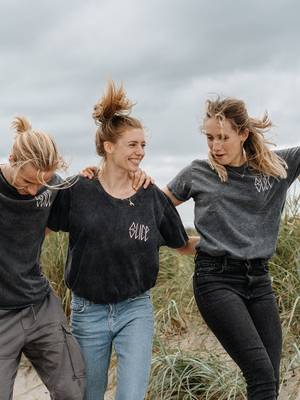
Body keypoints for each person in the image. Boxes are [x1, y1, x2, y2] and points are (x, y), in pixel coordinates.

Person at [47, 81, 198, 400]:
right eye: (132, 145)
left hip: (135, 309)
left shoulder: (150, 196)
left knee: (131, 396)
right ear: (108, 146)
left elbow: (182, 243)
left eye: (143, 145)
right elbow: (42, 229)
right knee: (90, 394)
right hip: (88, 310)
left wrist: (225, 245)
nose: (140, 152)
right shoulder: (78, 189)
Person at [164, 97, 300, 400]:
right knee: (261, 375)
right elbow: (156, 209)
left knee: (271, 378)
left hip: (259, 281)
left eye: (223, 137)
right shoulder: (198, 172)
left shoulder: (277, 167)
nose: (216, 146)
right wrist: (181, 242)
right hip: (216, 281)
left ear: (243, 134)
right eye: (211, 138)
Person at [0, 116, 85, 400]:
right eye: (28, 181)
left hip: (40, 306)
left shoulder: (51, 187)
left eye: (43, 182)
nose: (35, 191)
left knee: (72, 391)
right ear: (12, 159)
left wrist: (95, 173)